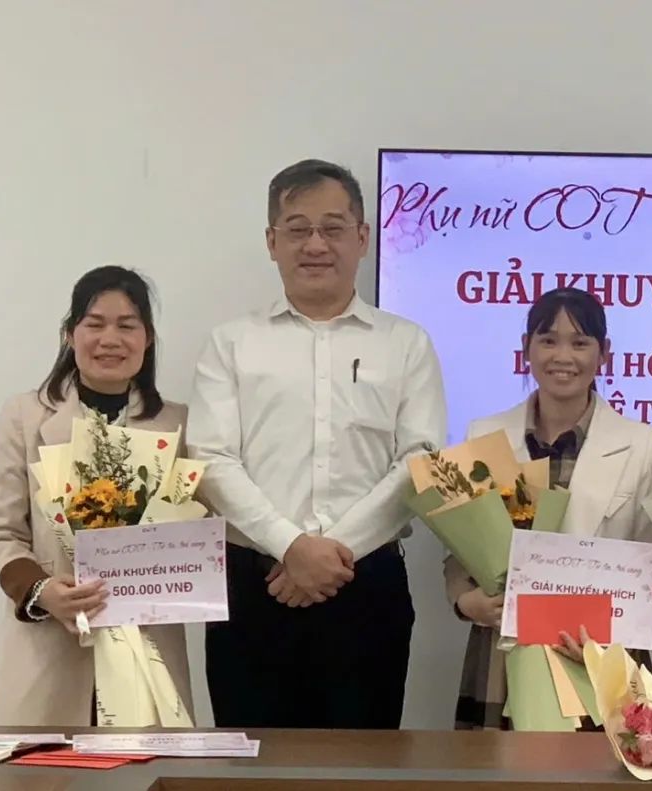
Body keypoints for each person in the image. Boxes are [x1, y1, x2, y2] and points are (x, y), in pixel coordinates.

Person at [187, 158, 447, 729]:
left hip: (368, 588)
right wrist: (290, 547)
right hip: (255, 587)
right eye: (298, 229)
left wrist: (333, 553)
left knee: (362, 765)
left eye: (332, 228)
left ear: (362, 238)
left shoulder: (406, 344)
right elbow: (210, 460)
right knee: (252, 764)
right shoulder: (231, 343)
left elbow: (420, 461)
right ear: (271, 242)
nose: (315, 245)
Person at [444, 287, 652, 730]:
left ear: (604, 353)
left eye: (579, 342)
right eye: (548, 340)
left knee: (599, 766)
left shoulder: (643, 444)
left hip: (599, 658)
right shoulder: (485, 435)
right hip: (503, 653)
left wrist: (615, 642)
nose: (562, 356)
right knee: (495, 766)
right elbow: (459, 550)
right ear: (526, 347)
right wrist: (465, 601)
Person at [0, 265, 193, 725]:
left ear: (148, 339)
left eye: (127, 326)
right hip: (51, 652)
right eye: (95, 324)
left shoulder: (179, 425)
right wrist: (42, 591)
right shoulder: (24, 416)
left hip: (147, 650)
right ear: (69, 334)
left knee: (145, 764)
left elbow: (196, 534)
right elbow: (0, 534)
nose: (110, 339)